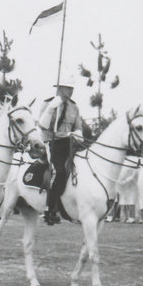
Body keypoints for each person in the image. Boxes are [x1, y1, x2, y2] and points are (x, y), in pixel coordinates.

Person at [38, 75, 83, 225]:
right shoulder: (48, 104)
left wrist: (78, 134)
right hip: (52, 142)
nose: (70, 91)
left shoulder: (74, 107)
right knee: (58, 171)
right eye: (67, 88)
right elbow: (42, 126)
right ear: (59, 88)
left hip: (68, 143)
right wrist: (51, 109)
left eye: (71, 88)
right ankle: (50, 208)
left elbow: (78, 126)